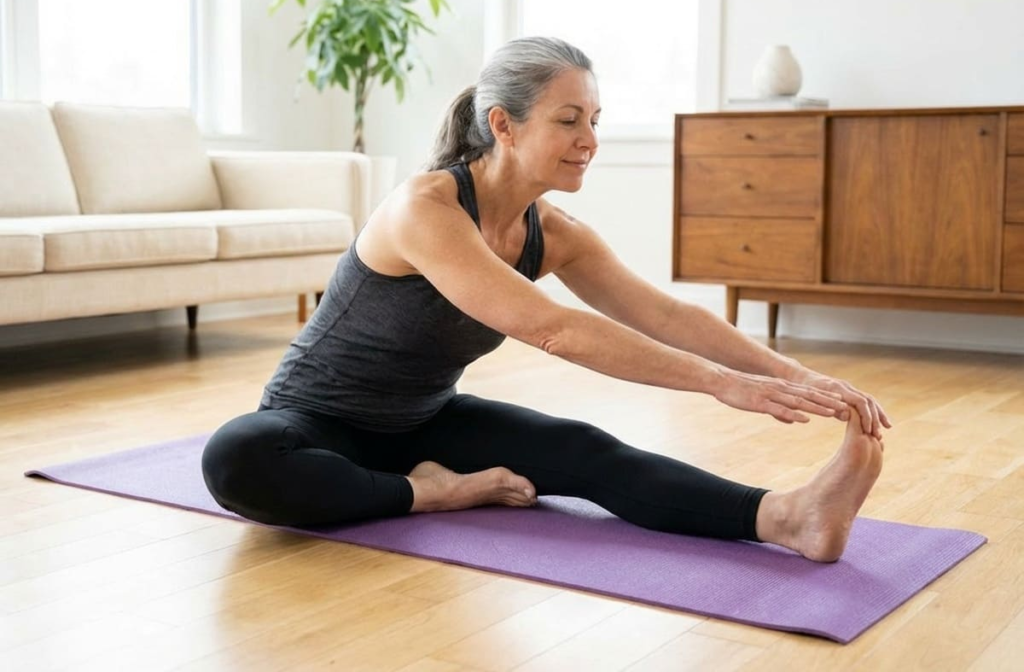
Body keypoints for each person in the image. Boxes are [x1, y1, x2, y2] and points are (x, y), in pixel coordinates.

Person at [202, 36, 890, 563]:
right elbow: (552, 329)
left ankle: (789, 517)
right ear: (503, 125)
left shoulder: (552, 234)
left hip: (423, 424)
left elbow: (668, 315)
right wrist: (721, 384)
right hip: (315, 423)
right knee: (236, 457)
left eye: (593, 118)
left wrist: (796, 376)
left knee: (584, 449)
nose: (589, 141)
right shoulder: (426, 207)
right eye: (568, 120)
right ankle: (434, 491)